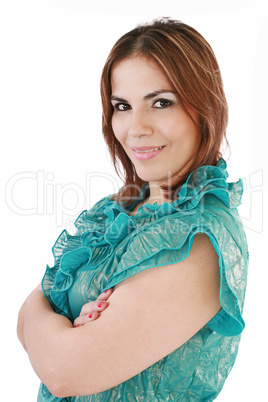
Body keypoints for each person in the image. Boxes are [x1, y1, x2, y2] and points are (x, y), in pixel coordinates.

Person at [17, 18, 249, 401]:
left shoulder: (203, 236)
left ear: (204, 107)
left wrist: (49, 324)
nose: (135, 128)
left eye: (161, 103)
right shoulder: (116, 210)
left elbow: (64, 372)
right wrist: (53, 325)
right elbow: (20, 321)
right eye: (122, 106)